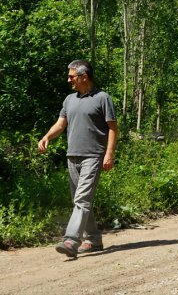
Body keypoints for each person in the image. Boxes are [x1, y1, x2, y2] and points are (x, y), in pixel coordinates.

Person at [38, 60, 118, 258]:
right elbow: (60, 124)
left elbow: (113, 128)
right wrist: (47, 136)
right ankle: (94, 239)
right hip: (72, 155)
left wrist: (109, 153)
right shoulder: (69, 100)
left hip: (93, 155)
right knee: (80, 200)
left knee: (82, 199)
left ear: (84, 77)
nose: (69, 80)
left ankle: (71, 240)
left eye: (72, 76)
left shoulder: (102, 98)